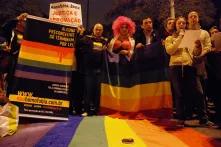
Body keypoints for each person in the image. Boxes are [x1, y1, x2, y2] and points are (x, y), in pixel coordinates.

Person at [165, 16, 214, 127]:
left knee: (198, 92)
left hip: (189, 66)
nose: (181, 25)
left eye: (183, 23)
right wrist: (180, 37)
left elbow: (195, 54)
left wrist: (198, 47)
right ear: (175, 25)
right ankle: (180, 119)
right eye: (179, 23)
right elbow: (170, 51)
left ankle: (204, 118)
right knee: (179, 94)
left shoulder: (190, 37)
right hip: (175, 67)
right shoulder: (169, 38)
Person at [78, 23, 108, 116]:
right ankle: (86, 110)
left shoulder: (105, 41)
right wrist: (80, 34)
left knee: (97, 91)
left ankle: (96, 110)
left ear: (102, 31)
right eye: (97, 29)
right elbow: (78, 44)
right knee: (88, 90)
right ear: (93, 30)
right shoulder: (87, 38)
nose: (98, 31)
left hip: (99, 70)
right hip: (88, 70)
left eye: (100, 29)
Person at [0, 12, 28, 96]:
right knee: (5, 77)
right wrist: (17, 18)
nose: (26, 23)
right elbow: (3, 31)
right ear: (20, 21)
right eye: (25, 21)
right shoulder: (11, 30)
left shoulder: (28, 34)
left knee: (14, 81)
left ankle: (10, 96)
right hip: (8, 58)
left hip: (20, 61)